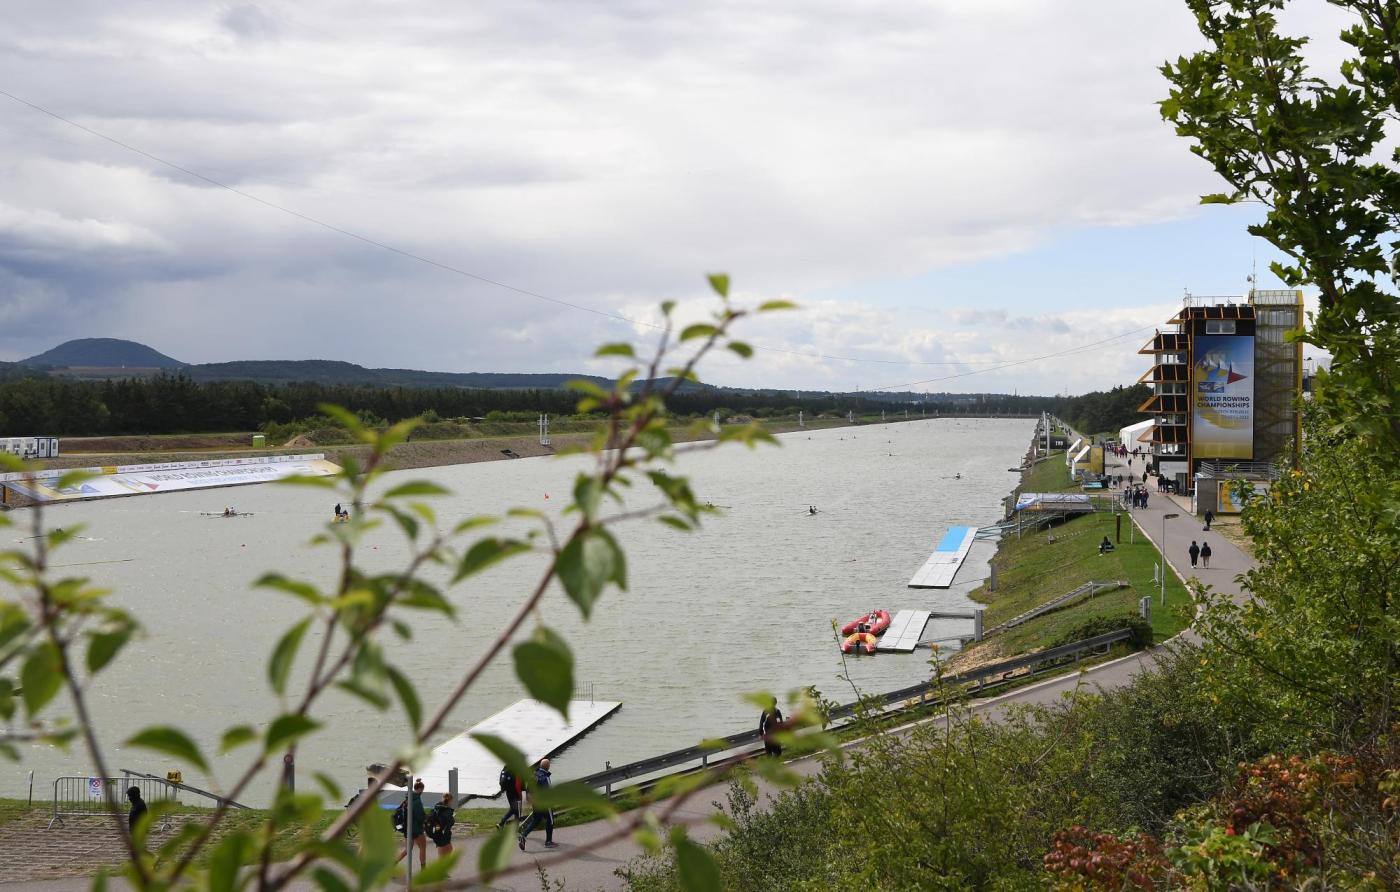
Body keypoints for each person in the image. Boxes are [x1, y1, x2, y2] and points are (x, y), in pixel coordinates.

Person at [518, 759, 556, 850]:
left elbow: (528, 790)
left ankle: (523, 835)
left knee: (536, 820)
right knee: (550, 821)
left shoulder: (533, 775)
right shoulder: (545, 777)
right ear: (548, 766)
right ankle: (548, 842)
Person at [395, 780, 428, 870]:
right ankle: (423, 869)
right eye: (422, 789)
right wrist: (425, 819)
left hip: (406, 828)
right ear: (420, 789)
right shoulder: (417, 801)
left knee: (408, 849)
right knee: (422, 847)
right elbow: (420, 817)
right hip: (416, 829)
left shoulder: (407, 799)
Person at [427, 792, 456, 858]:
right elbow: (449, 823)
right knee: (442, 856)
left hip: (438, 833)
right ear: (450, 800)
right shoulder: (446, 811)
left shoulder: (437, 808)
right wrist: (452, 818)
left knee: (449, 849)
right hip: (442, 835)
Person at [496, 764, 523, 828]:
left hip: (509, 792)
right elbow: (517, 784)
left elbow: (502, 782)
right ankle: (503, 822)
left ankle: (514, 826)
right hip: (515, 792)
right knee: (516, 809)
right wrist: (520, 794)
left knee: (515, 809)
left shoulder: (505, 769)